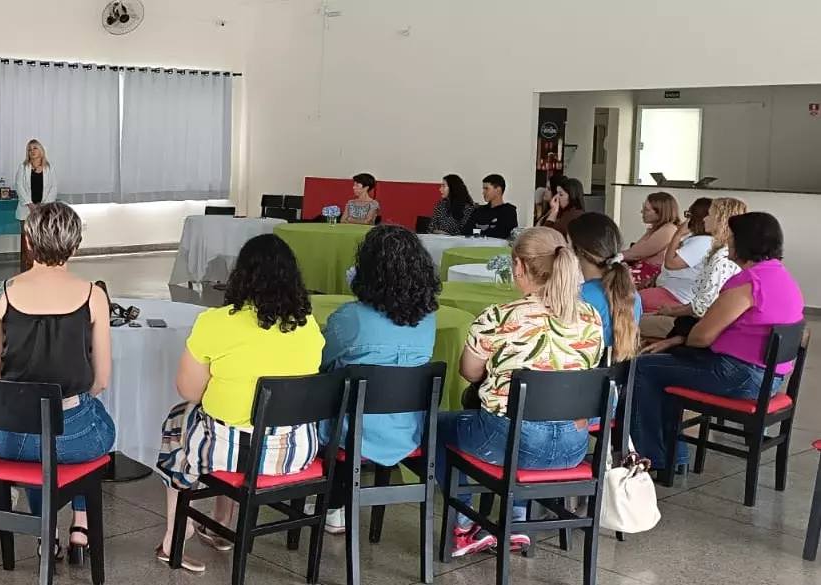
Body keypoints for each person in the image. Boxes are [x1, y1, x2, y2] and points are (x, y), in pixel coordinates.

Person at [154, 234, 326, 573]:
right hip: (295, 452)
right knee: (228, 421)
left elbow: (187, 390)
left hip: (230, 451)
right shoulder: (309, 328)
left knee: (178, 422)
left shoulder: (216, 323)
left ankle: (175, 535)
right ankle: (222, 525)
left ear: (240, 276)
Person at [438, 227, 604, 557]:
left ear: (518, 266)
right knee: (535, 417)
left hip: (510, 441)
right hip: (573, 446)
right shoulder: (591, 318)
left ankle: (463, 527)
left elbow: (469, 372)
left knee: (439, 428)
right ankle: (515, 522)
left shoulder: (499, 317)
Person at [0, 202, 113, 560]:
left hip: (10, 440)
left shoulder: (0, 293)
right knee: (94, 417)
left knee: (38, 438)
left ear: (27, 240)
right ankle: (81, 523)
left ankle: (47, 528)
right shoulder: (94, 296)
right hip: (76, 439)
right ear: (75, 245)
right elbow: (101, 379)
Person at [629, 212, 802, 470]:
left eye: (731, 237)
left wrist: (677, 341)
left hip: (738, 375)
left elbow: (701, 336)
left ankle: (655, 456)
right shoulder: (782, 278)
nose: (727, 242)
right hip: (769, 379)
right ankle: (676, 455)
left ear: (744, 242)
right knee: (663, 367)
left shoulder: (749, 283)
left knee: (644, 368)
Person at [319, 225, 439, 534]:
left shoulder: (351, 316)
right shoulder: (429, 318)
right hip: (408, 427)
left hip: (349, 430)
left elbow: (320, 361)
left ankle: (330, 503)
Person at [643, 197, 746, 342]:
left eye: (709, 215)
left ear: (721, 220)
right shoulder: (721, 251)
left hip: (696, 327)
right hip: (692, 319)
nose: (704, 219)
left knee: (629, 323)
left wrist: (673, 312)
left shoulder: (721, 257)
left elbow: (701, 308)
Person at [567, 213, 642, 357]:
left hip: (579, 374)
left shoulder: (577, 296)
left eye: (567, 244)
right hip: (615, 375)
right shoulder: (633, 295)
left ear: (578, 251)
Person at [13, 139, 58, 272]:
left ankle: (41, 267)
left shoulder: (49, 168)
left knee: (42, 239)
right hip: (26, 210)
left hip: (44, 209)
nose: (32, 151)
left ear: (41, 151)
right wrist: (30, 205)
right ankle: (29, 267)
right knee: (28, 241)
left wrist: (44, 205)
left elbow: (54, 187)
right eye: (29, 149)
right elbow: (19, 186)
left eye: (35, 148)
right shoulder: (23, 167)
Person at [621, 192, 680, 288]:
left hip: (650, 277)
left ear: (660, 212)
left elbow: (636, 254)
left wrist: (610, 256)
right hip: (641, 270)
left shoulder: (668, 230)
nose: (641, 212)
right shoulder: (656, 229)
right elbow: (633, 251)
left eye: (646, 210)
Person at [461, 174, 519, 239]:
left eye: (486, 189)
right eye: (483, 189)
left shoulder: (509, 211)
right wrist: (487, 231)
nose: (483, 192)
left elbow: (501, 234)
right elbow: (466, 231)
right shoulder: (479, 210)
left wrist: (478, 231)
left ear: (498, 190)